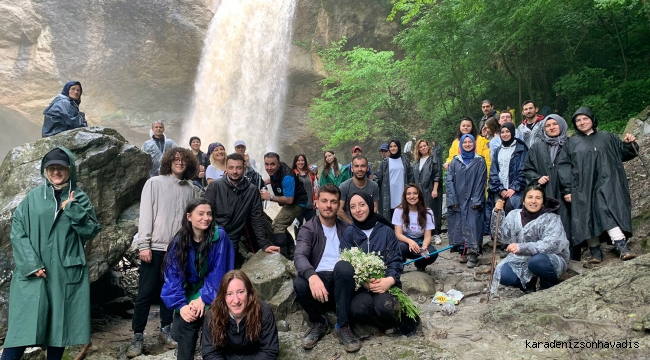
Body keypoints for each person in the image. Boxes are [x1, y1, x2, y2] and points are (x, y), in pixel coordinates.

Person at [1, 147, 102, 360]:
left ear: (70, 169)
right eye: (52, 168)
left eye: (61, 168)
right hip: (34, 273)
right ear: (45, 170)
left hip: (64, 273)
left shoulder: (80, 198)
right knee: (20, 331)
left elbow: (91, 230)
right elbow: (17, 230)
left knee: (59, 329)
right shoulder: (33, 198)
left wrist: (73, 209)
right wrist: (32, 264)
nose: (56, 172)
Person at [128, 148, 202, 358]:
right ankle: (138, 335)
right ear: (168, 162)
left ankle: (165, 329)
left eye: (183, 160)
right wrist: (144, 245)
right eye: (175, 159)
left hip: (178, 249)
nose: (179, 163)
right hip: (155, 247)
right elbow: (146, 215)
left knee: (172, 290)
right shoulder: (154, 183)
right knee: (145, 292)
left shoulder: (190, 189)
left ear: (189, 164)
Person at [557, 107, 638, 263]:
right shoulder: (571, 143)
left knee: (606, 210)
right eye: (578, 120)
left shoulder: (607, 137)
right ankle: (595, 251)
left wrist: (630, 144)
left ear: (592, 119)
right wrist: (567, 189)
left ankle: (621, 245)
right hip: (582, 187)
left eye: (585, 119)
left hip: (608, 183)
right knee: (585, 216)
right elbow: (564, 167)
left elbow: (625, 153)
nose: (582, 122)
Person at [161, 199, 235, 360]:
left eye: (209, 214)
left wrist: (204, 297)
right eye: (200, 214)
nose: (206, 218)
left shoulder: (219, 236)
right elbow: (172, 277)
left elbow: (221, 271)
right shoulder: (180, 240)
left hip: (216, 291)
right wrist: (181, 306)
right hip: (190, 292)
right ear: (189, 217)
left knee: (213, 320)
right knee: (188, 319)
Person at [293, 184, 361, 353]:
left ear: (338, 205)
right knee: (300, 283)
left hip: (343, 282)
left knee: (344, 267)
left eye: (333, 202)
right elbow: (299, 256)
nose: (328, 205)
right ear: (316, 203)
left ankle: (342, 326)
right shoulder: (308, 229)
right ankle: (319, 322)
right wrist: (312, 276)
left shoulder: (347, 229)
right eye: (324, 201)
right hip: (319, 285)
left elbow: (360, 255)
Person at [341, 192, 419, 336]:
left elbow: (395, 260)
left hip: (387, 283)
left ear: (370, 205)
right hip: (362, 287)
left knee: (385, 305)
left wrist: (389, 280)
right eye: (353, 207)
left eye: (362, 205)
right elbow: (347, 262)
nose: (358, 210)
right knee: (358, 308)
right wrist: (364, 282)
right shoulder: (349, 233)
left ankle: (405, 322)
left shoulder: (386, 231)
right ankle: (385, 326)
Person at [490, 185, 570, 294]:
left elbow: (551, 245)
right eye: (530, 197)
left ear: (543, 202)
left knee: (537, 262)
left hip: (549, 259)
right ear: (523, 201)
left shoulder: (551, 218)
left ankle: (548, 285)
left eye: (538, 198)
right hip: (522, 259)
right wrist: (496, 213)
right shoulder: (514, 216)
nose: (533, 201)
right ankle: (528, 284)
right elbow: (501, 236)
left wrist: (521, 247)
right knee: (503, 274)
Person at [205, 153, 280, 267]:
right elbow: (206, 212)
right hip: (211, 237)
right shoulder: (215, 186)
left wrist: (264, 245)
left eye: (238, 168)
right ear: (226, 168)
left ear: (244, 169)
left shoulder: (252, 190)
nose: (234, 171)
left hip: (232, 241)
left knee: (227, 273)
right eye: (231, 167)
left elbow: (257, 219)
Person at [523, 114, 572, 257]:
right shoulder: (537, 146)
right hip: (545, 192)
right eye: (548, 126)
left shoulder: (571, 144)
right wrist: (537, 178)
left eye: (554, 124)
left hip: (566, 192)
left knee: (566, 221)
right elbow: (527, 168)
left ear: (561, 125)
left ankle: (569, 255)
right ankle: (545, 255)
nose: (551, 127)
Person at [202, 270, 280, 359]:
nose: (236, 300)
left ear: (249, 292)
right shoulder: (213, 314)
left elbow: (269, 350)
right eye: (229, 294)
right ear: (224, 297)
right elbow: (210, 353)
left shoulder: (264, 311)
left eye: (240, 292)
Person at [446, 135, 487, 268]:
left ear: (474, 144)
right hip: (458, 198)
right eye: (465, 142)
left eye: (470, 142)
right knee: (459, 223)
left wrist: (477, 199)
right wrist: (452, 199)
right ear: (461, 144)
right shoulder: (455, 162)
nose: (468, 144)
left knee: (474, 223)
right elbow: (449, 180)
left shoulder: (480, 161)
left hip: (473, 198)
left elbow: (481, 181)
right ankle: (462, 249)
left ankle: (473, 252)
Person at [260, 152, 308, 259]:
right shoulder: (275, 171)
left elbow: (289, 200)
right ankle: (291, 248)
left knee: (278, 225)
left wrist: (270, 197)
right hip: (293, 201)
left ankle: (282, 256)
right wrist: (264, 182)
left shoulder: (287, 176)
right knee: (280, 224)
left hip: (298, 203)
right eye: (266, 164)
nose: (269, 167)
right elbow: (274, 178)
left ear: (279, 164)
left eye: (272, 164)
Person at [392, 184, 439, 271]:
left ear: (419, 195)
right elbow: (398, 234)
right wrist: (410, 242)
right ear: (405, 196)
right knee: (399, 247)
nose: (412, 196)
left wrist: (423, 248)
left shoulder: (428, 212)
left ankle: (420, 264)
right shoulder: (398, 210)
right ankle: (400, 263)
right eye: (409, 194)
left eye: (415, 193)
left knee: (433, 253)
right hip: (405, 242)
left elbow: (428, 236)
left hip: (421, 241)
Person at [488, 123, 528, 215]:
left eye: (507, 131)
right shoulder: (498, 150)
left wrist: (513, 188)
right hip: (500, 190)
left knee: (510, 209)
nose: (505, 134)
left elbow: (523, 169)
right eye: (502, 132)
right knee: (497, 213)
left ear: (512, 132)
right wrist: (501, 189)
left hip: (516, 190)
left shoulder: (521, 149)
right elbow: (494, 171)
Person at [374, 139, 414, 220]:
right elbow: (377, 177)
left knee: (403, 216)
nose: (393, 148)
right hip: (388, 193)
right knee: (389, 217)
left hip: (402, 191)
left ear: (398, 147)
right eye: (391, 146)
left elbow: (411, 176)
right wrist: (372, 188)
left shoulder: (405, 161)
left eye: (395, 146)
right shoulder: (385, 162)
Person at [413, 139, 443, 245]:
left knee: (433, 211)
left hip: (431, 189)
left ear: (428, 146)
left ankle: (436, 234)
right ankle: (425, 235)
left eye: (424, 146)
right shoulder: (416, 163)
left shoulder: (433, 159)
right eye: (420, 147)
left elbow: (437, 175)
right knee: (421, 212)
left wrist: (435, 189)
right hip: (420, 191)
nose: (423, 148)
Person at [338, 155, 379, 224]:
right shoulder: (344, 186)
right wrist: (352, 224)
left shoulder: (374, 186)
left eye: (363, 166)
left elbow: (375, 208)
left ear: (367, 168)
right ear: (352, 169)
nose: (360, 169)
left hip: (368, 223)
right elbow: (339, 209)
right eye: (356, 166)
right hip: (348, 224)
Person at [293, 154, 318, 230]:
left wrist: (316, 199)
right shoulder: (292, 174)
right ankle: (298, 241)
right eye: (298, 160)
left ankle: (313, 241)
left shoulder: (310, 173)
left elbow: (315, 187)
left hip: (310, 205)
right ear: (295, 162)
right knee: (298, 228)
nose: (300, 162)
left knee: (313, 228)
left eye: (302, 160)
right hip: (297, 206)